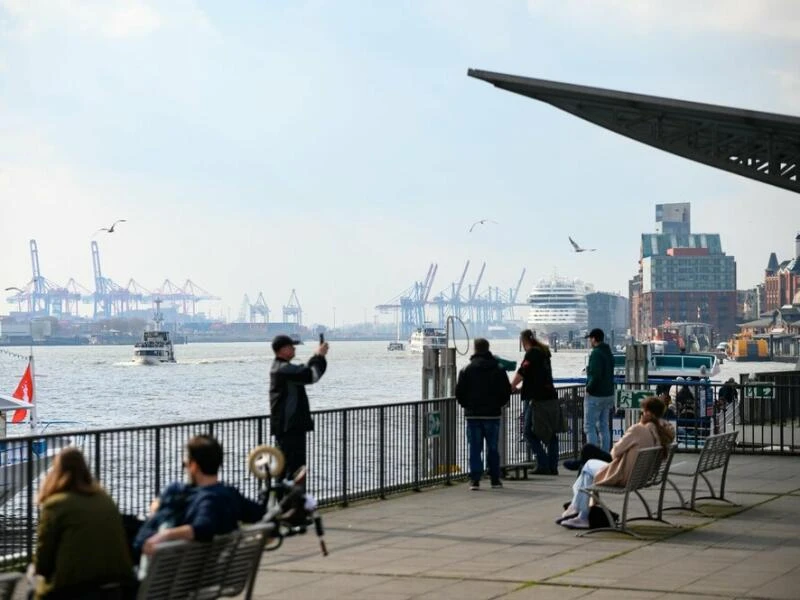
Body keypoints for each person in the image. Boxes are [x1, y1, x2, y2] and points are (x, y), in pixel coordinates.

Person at [135, 435, 265, 558]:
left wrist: (165, 535)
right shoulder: (229, 494)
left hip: (163, 571)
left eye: (185, 463)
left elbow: (203, 526)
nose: (185, 467)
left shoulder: (209, 500)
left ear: (194, 466)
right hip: (198, 569)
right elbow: (262, 515)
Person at [33, 447, 136, 599]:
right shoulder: (105, 500)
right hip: (115, 588)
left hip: (73, 590)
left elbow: (42, 564)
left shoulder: (55, 505)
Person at [559, 396, 675, 529]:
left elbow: (614, 453)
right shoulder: (663, 433)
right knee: (587, 469)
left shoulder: (638, 429)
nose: (641, 414)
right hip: (641, 477)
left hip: (624, 476)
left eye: (642, 412)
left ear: (648, 413)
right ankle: (578, 509)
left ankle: (581, 513)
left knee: (587, 466)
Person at [269, 334, 329, 479]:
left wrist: (317, 356)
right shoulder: (284, 370)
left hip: (287, 428)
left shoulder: (282, 368)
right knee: (293, 470)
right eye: (291, 346)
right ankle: (290, 499)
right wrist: (319, 355)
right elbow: (311, 375)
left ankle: (287, 498)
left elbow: (304, 371)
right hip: (290, 428)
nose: (294, 348)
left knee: (286, 468)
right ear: (282, 350)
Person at [455, 337, 512, 490]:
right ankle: (495, 479)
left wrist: (466, 405)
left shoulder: (466, 369)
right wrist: (498, 405)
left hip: (473, 415)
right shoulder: (498, 369)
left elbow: (459, 392)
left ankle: (475, 480)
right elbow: (506, 391)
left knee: (474, 448)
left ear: (475, 349)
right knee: (493, 448)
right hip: (493, 415)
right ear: (488, 348)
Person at [511, 329, 561, 475]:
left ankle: (543, 463)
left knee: (527, 432)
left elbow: (523, 371)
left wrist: (512, 386)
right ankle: (553, 466)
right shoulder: (544, 353)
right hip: (549, 396)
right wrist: (523, 388)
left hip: (536, 399)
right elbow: (538, 376)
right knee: (551, 433)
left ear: (523, 341)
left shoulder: (532, 353)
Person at [583, 328, 616, 453]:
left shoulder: (596, 353)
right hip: (608, 394)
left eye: (590, 339)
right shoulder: (608, 352)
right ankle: (605, 453)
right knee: (603, 426)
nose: (589, 341)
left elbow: (596, 375)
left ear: (594, 339)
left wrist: (589, 388)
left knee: (589, 427)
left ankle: (592, 455)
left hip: (596, 395)